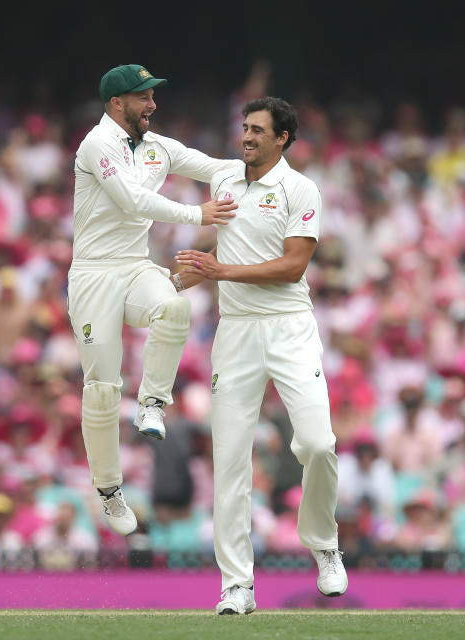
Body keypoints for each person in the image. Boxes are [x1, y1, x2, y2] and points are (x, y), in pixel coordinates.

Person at [175, 97, 346, 615]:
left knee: (317, 443)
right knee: (229, 459)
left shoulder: (301, 189)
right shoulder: (225, 179)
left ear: (282, 139)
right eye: (244, 127)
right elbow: (176, 159)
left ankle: (323, 543)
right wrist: (163, 284)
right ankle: (237, 584)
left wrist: (220, 271)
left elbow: (294, 265)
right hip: (237, 332)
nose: (246, 136)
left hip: (290, 327)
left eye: (257, 130)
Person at [69, 64, 240, 536]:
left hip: (133, 264)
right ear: (116, 103)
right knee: (102, 387)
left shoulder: (158, 147)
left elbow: (218, 167)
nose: (153, 104)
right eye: (143, 97)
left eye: (152, 96)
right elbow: (130, 201)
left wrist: (267, 175)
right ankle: (109, 491)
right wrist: (198, 213)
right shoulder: (96, 144)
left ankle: (153, 404)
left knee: (174, 305)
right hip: (93, 275)